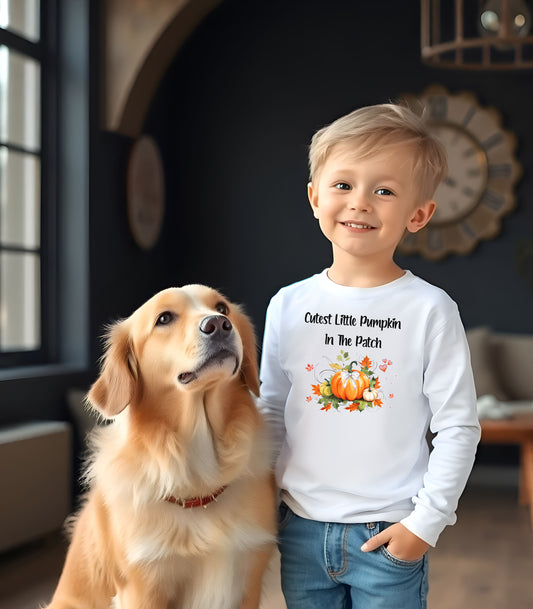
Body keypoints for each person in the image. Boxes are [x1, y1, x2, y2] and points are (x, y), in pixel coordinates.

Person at [257, 103, 481, 609]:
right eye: (343, 185)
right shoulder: (288, 305)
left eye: (384, 190)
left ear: (419, 214)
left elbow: (459, 427)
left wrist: (424, 525)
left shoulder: (430, 310)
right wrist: (259, 500)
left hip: (390, 535)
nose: (360, 202)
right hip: (300, 529)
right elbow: (271, 411)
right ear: (315, 198)